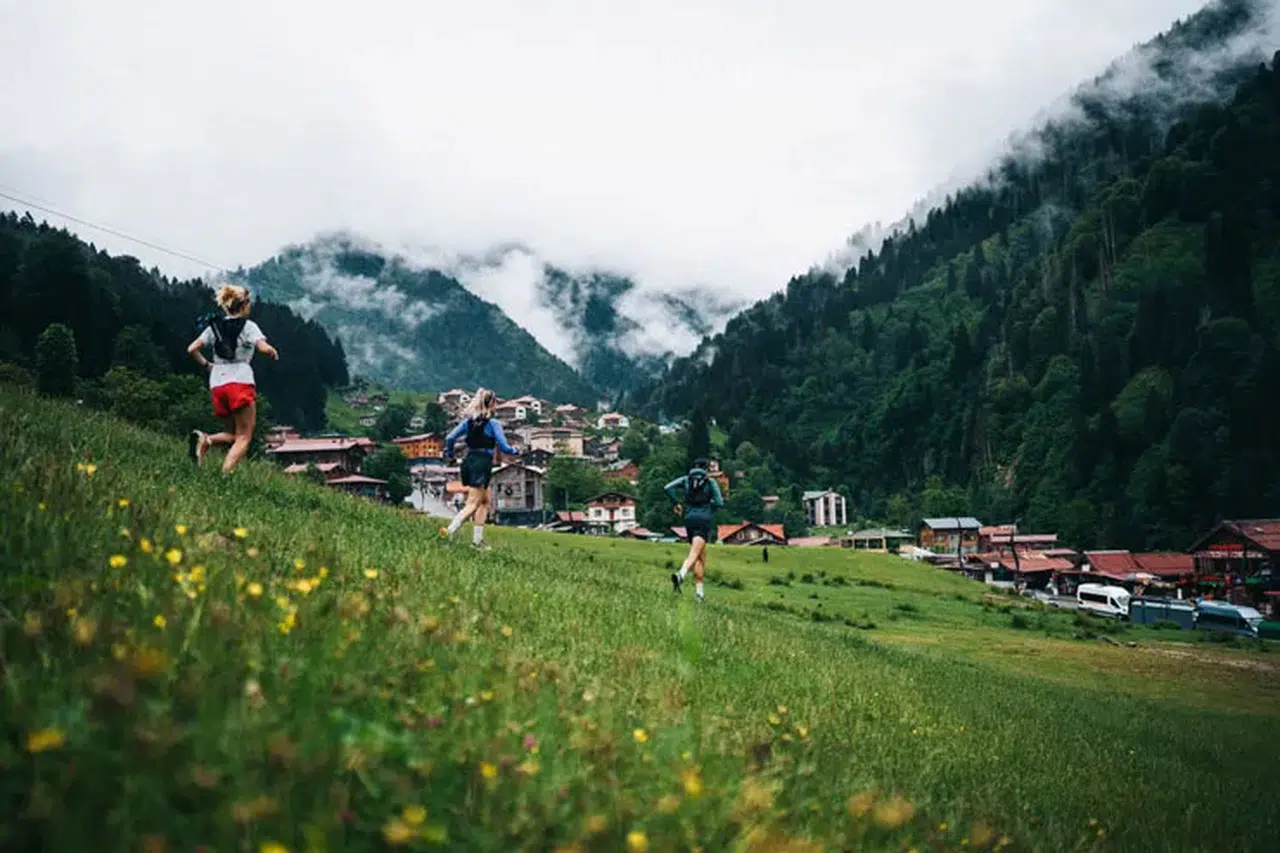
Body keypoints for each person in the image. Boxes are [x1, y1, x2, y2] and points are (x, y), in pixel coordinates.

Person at [187, 284, 278, 473]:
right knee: (244, 436)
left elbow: (192, 349)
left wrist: (207, 365)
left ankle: (206, 439)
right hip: (240, 382)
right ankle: (225, 476)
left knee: (231, 434)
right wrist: (271, 351)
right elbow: (262, 347)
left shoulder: (214, 327)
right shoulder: (249, 326)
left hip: (217, 382)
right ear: (244, 305)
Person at [440, 388, 519, 549]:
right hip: (482, 463)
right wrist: (514, 451)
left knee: (485, 501)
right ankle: (449, 531)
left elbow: (450, 438)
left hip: (469, 461)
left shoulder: (468, 422)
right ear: (491, 404)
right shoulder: (493, 423)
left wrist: (450, 454)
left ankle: (477, 541)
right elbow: (503, 446)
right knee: (473, 502)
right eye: (495, 402)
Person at [665, 458, 725, 602]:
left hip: (689, 519)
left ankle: (699, 594)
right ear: (706, 469)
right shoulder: (710, 482)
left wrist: (676, 503)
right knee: (694, 554)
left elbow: (667, 488)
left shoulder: (686, 479)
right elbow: (719, 502)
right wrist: (709, 506)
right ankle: (681, 574)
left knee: (700, 556)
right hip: (704, 520)